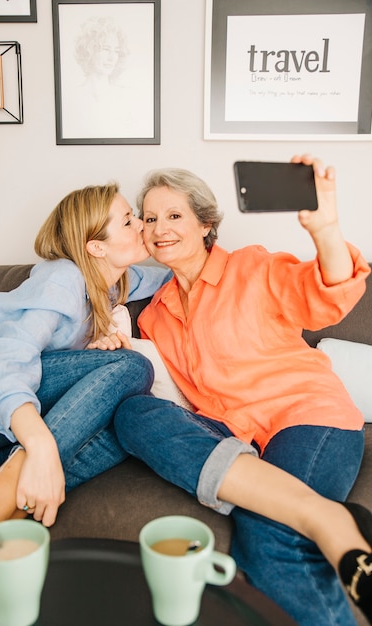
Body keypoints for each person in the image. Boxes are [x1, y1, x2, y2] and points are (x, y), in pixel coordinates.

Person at [110, 155, 372, 626]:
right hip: (234, 437)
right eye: (149, 219)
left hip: (308, 418)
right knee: (132, 412)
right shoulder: (152, 315)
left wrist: (325, 228)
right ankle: (298, 503)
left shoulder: (252, 267)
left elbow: (325, 293)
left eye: (174, 215)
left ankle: (327, 523)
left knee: (271, 537)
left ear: (206, 223)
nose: (159, 228)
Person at [0, 182, 171, 554]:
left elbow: (178, 274)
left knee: (124, 421)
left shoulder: (115, 282)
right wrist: (38, 445)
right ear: (96, 246)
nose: (141, 225)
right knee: (131, 366)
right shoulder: (63, 277)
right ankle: (1, 489)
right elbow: (1, 358)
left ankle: (15, 509)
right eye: (127, 221)